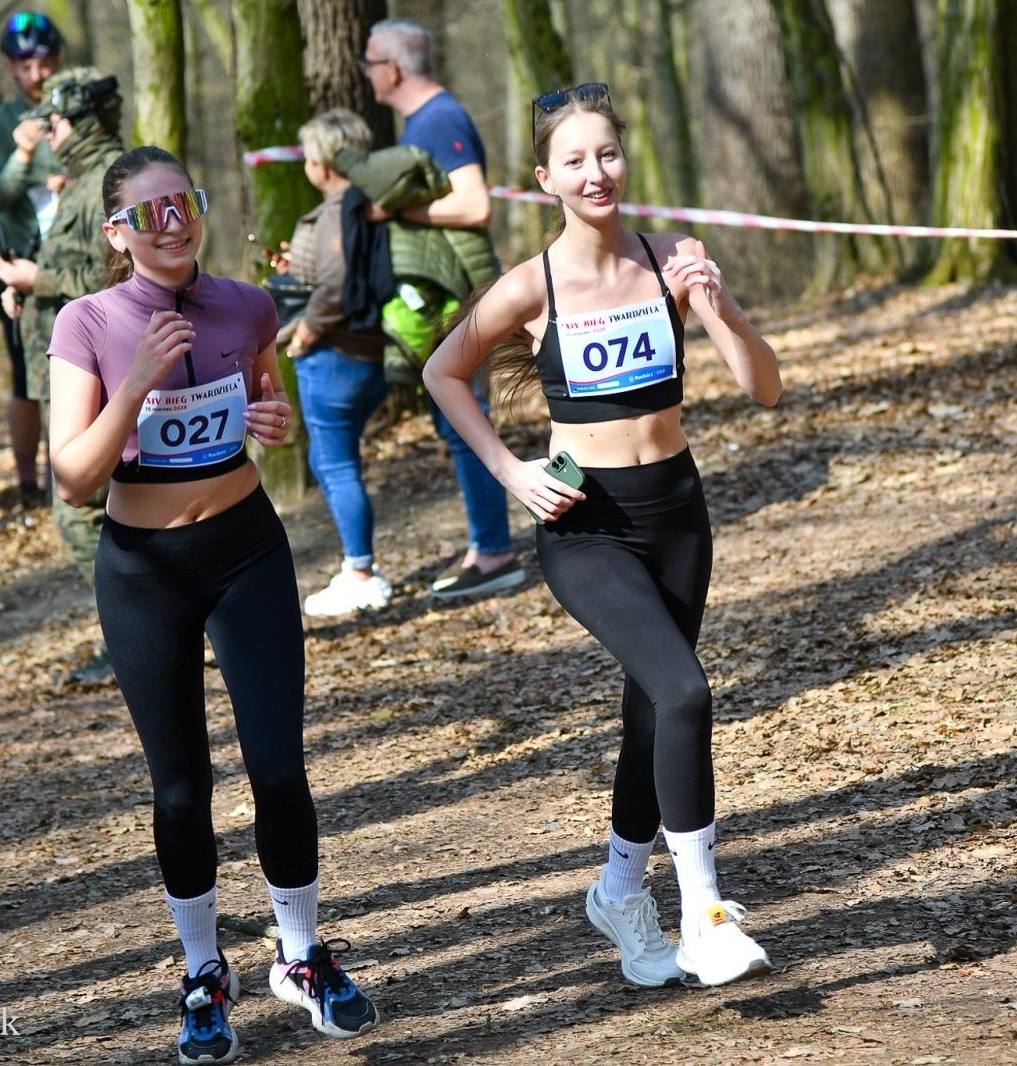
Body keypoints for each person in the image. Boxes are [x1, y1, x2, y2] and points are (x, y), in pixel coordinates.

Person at [423, 84, 782, 988]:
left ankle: (620, 890)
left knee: (652, 711)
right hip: (586, 524)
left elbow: (765, 388)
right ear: (544, 179)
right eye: (575, 160)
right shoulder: (530, 285)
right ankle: (704, 916)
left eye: (608, 154)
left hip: (677, 514)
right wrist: (510, 471)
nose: (596, 173)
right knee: (686, 692)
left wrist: (719, 306)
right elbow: (443, 372)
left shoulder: (672, 258)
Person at [48, 145, 378, 1063]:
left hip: (246, 553)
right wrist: (137, 383)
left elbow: (268, 413)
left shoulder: (247, 304)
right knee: (181, 786)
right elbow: (73, 476)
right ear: (116, 232)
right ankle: (203, 971)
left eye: (184, 203)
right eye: (149, 212)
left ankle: (301, 954)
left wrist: (275, 426)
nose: (173, 223)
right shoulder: (87, 322)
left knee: (277, 767)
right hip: (144, 570)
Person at [361, 17, 524, 600]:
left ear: (392, 69)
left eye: (369, 63)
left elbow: (475, 205)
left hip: (465, 299)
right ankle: (486, 545)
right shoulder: (426, 120)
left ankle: (496, 551)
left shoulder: (440, 119)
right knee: (458, 422)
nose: (365, 73)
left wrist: (400, 212)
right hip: (449, 299)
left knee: (467, 419)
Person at [0, 67, 121, 685]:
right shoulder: (81, 181)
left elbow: (113, 280)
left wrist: (36, 280)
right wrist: (28, 289)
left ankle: (139, 638)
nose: (50, 134)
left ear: (84, 121)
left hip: (100, 373)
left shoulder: (111, 182)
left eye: (58, 122)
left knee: (83, 513)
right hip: (69, 372)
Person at [277, 109, 394, 617]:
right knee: (331, 460)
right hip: (368, 352)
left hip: (335, 356)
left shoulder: (338, 211)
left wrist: (306, 332)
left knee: (336, 464)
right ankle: (359, 566)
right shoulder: (370, 204)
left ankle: (361, 572)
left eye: (309, 156)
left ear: (323, 162)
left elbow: (336, 284)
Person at [0, 10, 66, 508]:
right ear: (11, 67)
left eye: (45, 63)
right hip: (20, 264)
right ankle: (28, 482)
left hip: (73, 263)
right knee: (26, 380)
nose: (37, 74)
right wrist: (25, 159)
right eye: (26, 66)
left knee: (76, 375)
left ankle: (67, 477)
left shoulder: (78, 109)